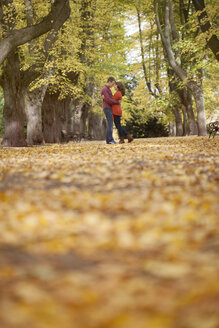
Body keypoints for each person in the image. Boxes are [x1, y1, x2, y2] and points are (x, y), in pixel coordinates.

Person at [101, 77, 120, 144]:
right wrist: (117, 102)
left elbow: (111, 98)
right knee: (110, 123)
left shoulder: (108, 89)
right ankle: (110, 140)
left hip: (109, 108)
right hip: (107, 107)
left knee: (110, 123)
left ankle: (109, 140)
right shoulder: (105, 89)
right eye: (113, 83)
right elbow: (109, 100)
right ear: (109, 81)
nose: (113, 85)